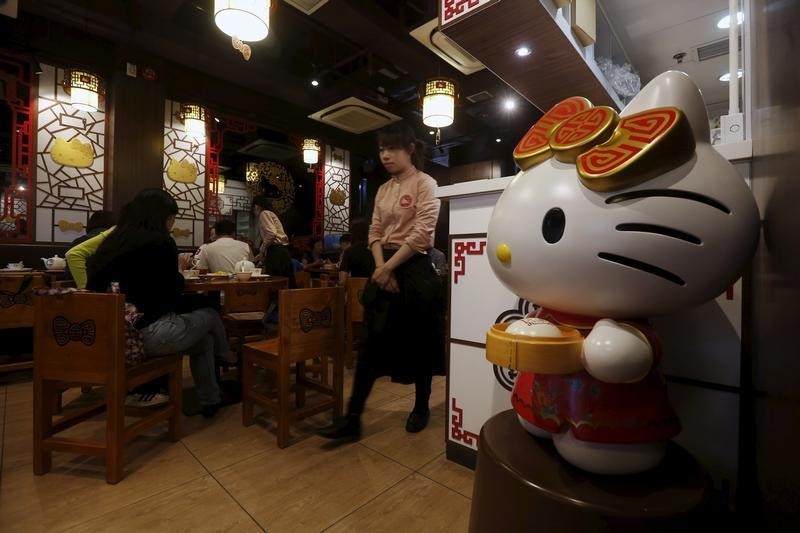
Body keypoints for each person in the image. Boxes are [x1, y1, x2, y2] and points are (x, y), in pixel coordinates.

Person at [319, 122, 445, 440]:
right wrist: (381, 268)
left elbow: (423, 233)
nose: (385, 155)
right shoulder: (384, 189)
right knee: (370, 346)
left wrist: (389, 267)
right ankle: (352, 419)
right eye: (381, 150)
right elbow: (374, 231)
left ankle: (421, 406)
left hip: (415, 268)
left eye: (392, 149)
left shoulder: (426, 183)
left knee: (420, 342)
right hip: (384, 266)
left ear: (410, 149)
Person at [86, 188, 227, 417]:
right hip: (148, 336)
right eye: (171, 218)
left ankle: (211, 400)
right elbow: (171, 293)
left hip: (111, 337)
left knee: (204, 341)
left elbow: (93, 284)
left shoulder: (111, 243)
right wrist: (180, 273)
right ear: (159, 216)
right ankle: (228, 359)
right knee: (211, 314)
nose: (171, 224)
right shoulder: (161, 242)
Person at [252, 195, 295, 286]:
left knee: (276, 284)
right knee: (287, 283)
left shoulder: (264, 213)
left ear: (256, 206)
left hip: (277, 252)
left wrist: (262, 248)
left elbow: (271, 233)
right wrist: (261, 255)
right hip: (282, 251)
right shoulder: (271, 213)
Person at [338, 219, 375, 285]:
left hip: (355, 290)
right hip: (373, 290)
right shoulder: (376, 250)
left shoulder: (349, 251)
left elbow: (342, 280)